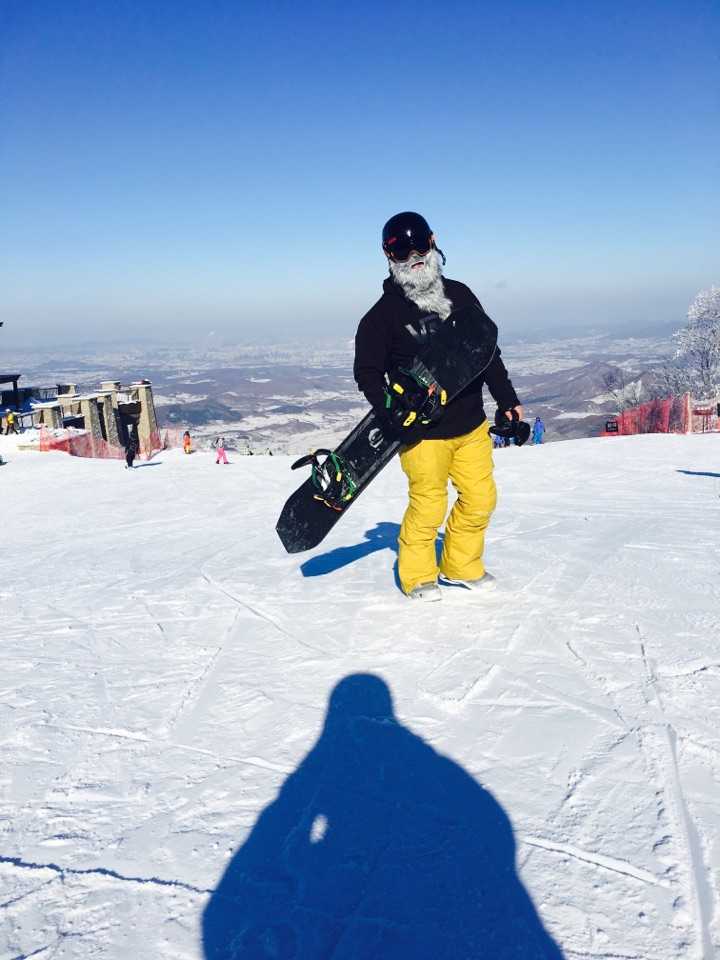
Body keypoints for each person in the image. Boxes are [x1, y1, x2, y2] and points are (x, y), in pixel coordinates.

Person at [354, 211, 522, 601]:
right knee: (428, 507)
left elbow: (487, 353)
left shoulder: (461, 295)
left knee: (481, 499)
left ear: (433, 241)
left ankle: (461, 565)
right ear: (387, 254)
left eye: (419, 244)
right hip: (422, 435)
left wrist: (508, 399)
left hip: (471, 426)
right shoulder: (381, 318)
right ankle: (417, 576)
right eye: (400, 248)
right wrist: (391, 411)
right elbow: (367, 373)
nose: (412, 254)